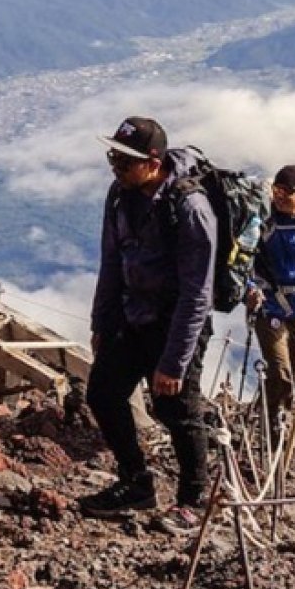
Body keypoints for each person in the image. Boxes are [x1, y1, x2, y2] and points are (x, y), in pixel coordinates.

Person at [79, 116, 215, 534]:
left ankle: (193, 500)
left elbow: (198, 293)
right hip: (132, 314)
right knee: (103, 394)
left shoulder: (190, 208)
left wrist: (174, 362)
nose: (116, 166)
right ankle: (136, 482)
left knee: (177, 409)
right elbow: (111, 262)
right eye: (114, 157)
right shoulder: (120, 196)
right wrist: (102, 322)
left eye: (125, 160)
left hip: (177, 324)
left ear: (153, 163)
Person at [245, 165, 295, 446]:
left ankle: (268, 409)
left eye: (286, 193)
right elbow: (245, 258)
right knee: (280, 370)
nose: (278, 197)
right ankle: (275, 421)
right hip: (269, 304)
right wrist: (250, 289)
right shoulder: (263, 222)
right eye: (275, 191)